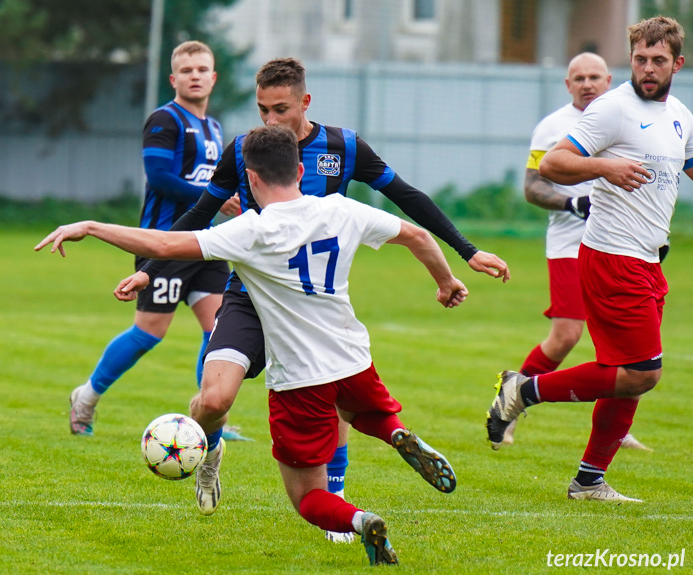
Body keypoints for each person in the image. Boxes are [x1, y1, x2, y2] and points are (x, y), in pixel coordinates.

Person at [36, 125, 466, 566]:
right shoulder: (342, 209)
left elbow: (164, 242)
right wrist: (446, 280)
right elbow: (417, 235)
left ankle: (360, 521)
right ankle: (395, 433)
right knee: (361, 412)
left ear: (252, 180)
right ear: (300, 169)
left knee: (308, 498)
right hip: (355, 361)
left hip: (300, 379)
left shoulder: (252, 230)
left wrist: (89, 226)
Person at [116, 58, 509, 537]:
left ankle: (337, 501)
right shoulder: (246, 150)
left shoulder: (343, 146)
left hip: (310, 300)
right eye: (263, 110)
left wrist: (466, 251)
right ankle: (208, 451)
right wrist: (150, 272)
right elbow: (200, 210)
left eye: (280, 109)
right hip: (247, 296)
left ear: (305, 102)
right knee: (214, 398)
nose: (271, 121)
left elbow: (406, 196)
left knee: (328, 390)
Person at [487, 16, 693, 502]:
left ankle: (588, 480)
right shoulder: (612, 109)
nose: (647, 68)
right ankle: (523, 390)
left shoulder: (680, 114)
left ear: (676, 64)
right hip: (611, 255)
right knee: (644, 371)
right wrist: (606, 166)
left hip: (648, 259)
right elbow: (555, 164)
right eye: (640, 58)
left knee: (628, 377)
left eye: (657, 61)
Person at [67, 40, 248, 441]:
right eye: (187, 71)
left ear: (214, 77)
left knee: (216, 330)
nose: (195, 76)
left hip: (207, 243)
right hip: (164, 245)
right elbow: (161, 178)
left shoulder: (214, 127)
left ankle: (209, 420)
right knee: (149, 333)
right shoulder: (164, 121)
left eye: (202, 69)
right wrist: (215, 199)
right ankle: (86, 397)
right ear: (174, 78)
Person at [505, 52, 650, 452]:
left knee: (625, 344)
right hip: (571, 244)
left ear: (609, 80)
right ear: (568, 85)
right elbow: (532, 187)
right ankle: (512, 401)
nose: (587, 83)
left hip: (628, 244)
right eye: (578, 78)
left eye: (594, 77)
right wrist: (572, 204)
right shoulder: (553, 127)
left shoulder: (629, 116)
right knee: (567, 334)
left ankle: (614, 430)